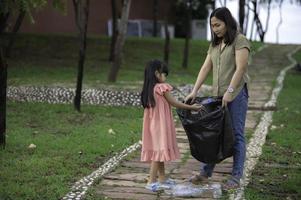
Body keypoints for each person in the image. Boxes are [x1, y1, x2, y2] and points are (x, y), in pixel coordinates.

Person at [185, 7, 250, 190]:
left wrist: (230, 91)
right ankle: (205, 172)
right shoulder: (214, 44)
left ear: (227, 22)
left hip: (236, 94)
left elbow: (241, 68)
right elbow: (206, 68)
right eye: (212, 26)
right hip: (217, 96)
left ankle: (236, 177)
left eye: (218, 25)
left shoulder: (240, 40)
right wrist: (195, 90)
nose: (215, 29)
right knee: (213, 134)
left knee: (236, 135)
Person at [140, 59, 202, 192]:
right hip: (160, 125)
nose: (165, 77)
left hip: (152, 126)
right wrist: (190, 107)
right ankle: (151, 181)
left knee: (159, 150)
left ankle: (162, 178)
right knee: (157, 153)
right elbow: (174, 103)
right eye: (164, 74)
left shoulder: (148, 89)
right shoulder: (162, 88)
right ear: (157, 73)